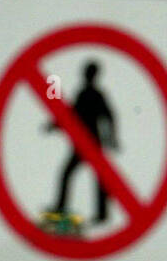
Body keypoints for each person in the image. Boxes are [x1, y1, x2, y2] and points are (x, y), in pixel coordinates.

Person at [48, 61, 119, 224]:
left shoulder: (93, 95)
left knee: (93, 178)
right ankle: (100, 214)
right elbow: (71, 114)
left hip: (89, 143)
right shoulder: (86, 94)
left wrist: (112, 137)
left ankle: (99, 214)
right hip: (84, 143)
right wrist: (55, 125)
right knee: (76, 175)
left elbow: (108, 116)